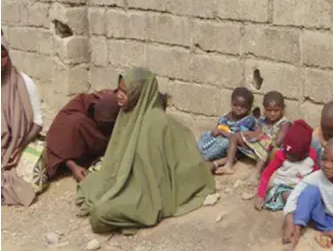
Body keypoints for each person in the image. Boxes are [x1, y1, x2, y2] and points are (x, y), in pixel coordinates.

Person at [76, 67, 215, 234]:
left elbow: (161, 173)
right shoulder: (128, 114)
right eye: (119, 89)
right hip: (125, 180)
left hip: (146, 191)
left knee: (100, 215)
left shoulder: (156, 122)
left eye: (125, 91)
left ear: (139, 93)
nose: (119, 95)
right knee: (89, 184)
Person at [282, 137, 333, 249]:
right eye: (324, 159)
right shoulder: (319, 175)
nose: (327, 165)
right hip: (321, 218)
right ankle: (295, 231)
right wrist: (289, 216)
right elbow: (297, 191)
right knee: (309, 192)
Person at [1, 36, 44, 206]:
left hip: (13, 143)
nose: (0, 62)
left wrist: (20, 147)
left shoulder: (24, 82)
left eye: (3, 56)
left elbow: (38, 122)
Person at [45, 90, 120, 181]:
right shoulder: (75, 116)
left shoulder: (120, 104)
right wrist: (73, 167)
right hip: (81, 147)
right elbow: (57, 144)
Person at [254, 120, 318, 211]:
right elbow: (266, 174)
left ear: (305, 153)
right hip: (284, 188)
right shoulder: (281, 155)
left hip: (303, 188)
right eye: (286, 153)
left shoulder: (312, 156)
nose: (288, 156)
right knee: (289, 196)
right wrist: (260, 195)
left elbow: (316, 174)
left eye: (293, 156)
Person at [197, 87, 257, 173]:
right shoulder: (227, 116)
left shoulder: (247, 120)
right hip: (223, 137)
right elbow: (220, 126)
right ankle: (200, 150)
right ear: (231, 103)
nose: (238, 108)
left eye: (242, 106)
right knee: (206, 134)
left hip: (237, 146)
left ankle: (207, 157)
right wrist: (216, 130)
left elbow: (237, 137)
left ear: (249, 107)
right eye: (235, 105)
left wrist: (221, 132)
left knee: (224, 143)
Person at [237, 91, 291, 179]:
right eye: (269, 110)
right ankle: (228, 163)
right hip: (261, 146)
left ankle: (257, 172)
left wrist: (261, 138)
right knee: (238, 136)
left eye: (276, 110)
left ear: (283, 109)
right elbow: (257, 133)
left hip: (274, 151)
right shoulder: (263, 119)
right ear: (265, 109)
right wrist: (248, 135)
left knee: (267, 145)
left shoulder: (284, 123)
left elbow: (277, 142)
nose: (272, 113)